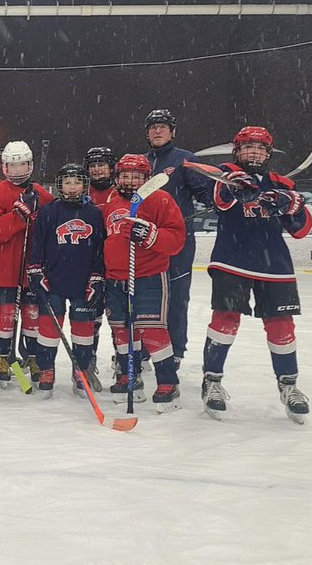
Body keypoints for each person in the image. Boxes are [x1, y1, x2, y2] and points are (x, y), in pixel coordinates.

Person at [201, 126, 312, 423]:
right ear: (237, 151)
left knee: (281, 326)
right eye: (247, 147)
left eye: (260, 148)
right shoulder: (224, 173)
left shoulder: (281, 183)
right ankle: (211, 381)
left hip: (275, 266)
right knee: (225, 321)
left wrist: (292, 204)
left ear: (268, 153)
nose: (254, 153)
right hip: (232, 260)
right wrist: (233, 186)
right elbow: (220, 199)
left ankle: (288, 385)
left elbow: (301, 229)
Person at [100, 154, 185, 411]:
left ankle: (168, 382)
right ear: (117, 177)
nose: (131, 180)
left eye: (137, 176)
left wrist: (150, 234)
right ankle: (129, 376)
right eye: (125, 175)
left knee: (152, 329)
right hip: (115, 277)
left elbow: (176, 239)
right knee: (123, 331)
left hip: (147, 275)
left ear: (146, 178)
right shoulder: (111, 201)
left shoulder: (161, 199)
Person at [0, 141, 55, 388]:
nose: (18, 170)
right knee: (5, 315)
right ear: (5, 167)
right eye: (13, 165)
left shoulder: (43, 195)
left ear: (30, 165)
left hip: (32, 266)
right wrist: (19, 215)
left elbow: (52, 229)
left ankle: (31, 356)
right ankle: (1, 356)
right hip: (5, 267)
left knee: (32, 315)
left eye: (23, 164)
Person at [25, 163, 106, 397]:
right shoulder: (49, 212)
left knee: (83, 331)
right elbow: (37, 247)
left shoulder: (94, 214)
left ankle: (80, 371)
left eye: (77, 182)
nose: (72, 187)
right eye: (67, 182)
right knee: (48, 331)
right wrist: (36, 272)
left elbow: (99, 250)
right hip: (53, 282)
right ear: (60, 185)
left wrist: (96, 277)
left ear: (85, 185)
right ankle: (47, 369)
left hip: (82, 284)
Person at [143, 110, 214, 368]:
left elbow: (207, 193)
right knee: (144, 297)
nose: (157, 131)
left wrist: (224, 194)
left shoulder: (184, 160)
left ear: (172, 131)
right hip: (143, 241)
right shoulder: (139, 162)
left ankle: (175, 351)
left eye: (162, 127)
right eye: (152, 127)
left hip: (177, 240)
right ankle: (140, 351)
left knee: (176, 295)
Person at [83, 146, 117, 377]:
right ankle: (89, 358)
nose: (97, 170)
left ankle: (123, 359)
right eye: (93, 166)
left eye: (101, 165)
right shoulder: (80, 192)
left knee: (118, 317)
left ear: (111, 168)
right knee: (90, 316)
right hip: (88, 265)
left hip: (117, 265)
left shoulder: (120, 192)